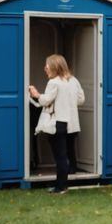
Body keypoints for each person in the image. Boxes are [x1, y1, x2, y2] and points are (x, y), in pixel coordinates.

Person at [28, 54, 85, 194]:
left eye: (47, 66)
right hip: (72, 123)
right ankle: (63, 181)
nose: (45, 68)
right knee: (68, 154)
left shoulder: (53, 83)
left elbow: (45, 101)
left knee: (60, 156)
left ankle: (61, 187)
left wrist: (35, 94)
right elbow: (81, 100)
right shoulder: (73, 80)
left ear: (54, 66)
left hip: (58, 123)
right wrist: (67, 102)